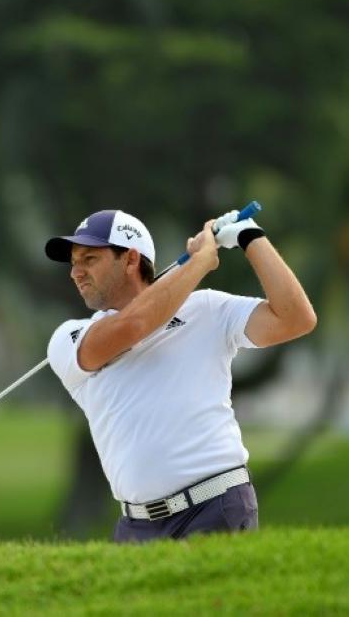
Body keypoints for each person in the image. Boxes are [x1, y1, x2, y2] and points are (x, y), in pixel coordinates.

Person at [45, 208, 316, 542]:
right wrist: (202, 261)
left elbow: (296, 318)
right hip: (136, 526)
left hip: (217, 506)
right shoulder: (69, 338)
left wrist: (250, 237)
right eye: (74, 262)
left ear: (130, 259)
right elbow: (135, 325)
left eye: (89, 259)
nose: (76, 272)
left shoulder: (207, 309)